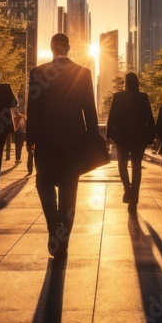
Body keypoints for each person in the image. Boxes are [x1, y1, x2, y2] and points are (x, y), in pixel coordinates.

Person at [27, 33, 99, 258]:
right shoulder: (83, 73)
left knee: (43, 183)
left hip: (46, 141)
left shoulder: (38, 73)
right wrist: (92, 139)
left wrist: (30, 141)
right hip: (73, 142)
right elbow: (89, 109)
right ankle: (63, 239)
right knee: (70, 190)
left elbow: (34, 109)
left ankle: (53, 225)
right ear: (68, 48)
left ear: (51, 49)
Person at [106, 73, 155, 212]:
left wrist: (109, 135)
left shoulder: (118, 97)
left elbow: (112, 117)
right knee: (136, 166)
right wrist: (150, 137)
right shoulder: (143, 97)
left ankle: (127, 188)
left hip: (122, 137)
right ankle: (134, 200)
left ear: (125, 83)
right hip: (139, 137)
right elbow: (149, 119)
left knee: (122, 164)